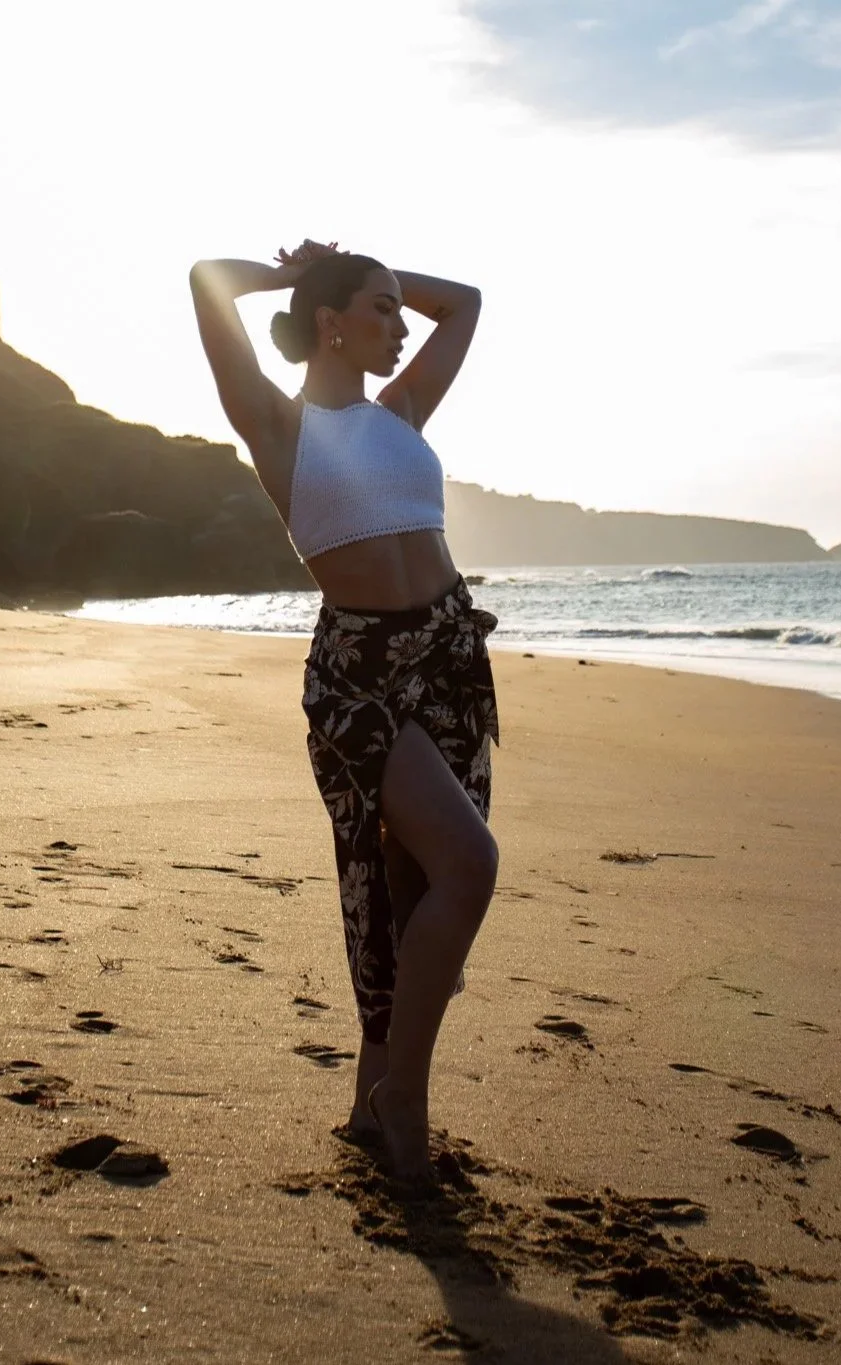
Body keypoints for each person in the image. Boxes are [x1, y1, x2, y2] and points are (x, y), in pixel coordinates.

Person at [188, 240, 499, 1181]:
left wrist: (369, 262)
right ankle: (405, 1098)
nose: (402, 324)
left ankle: (371, 1101)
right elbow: (207, 279)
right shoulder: (276, 430)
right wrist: (298, 277)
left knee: (410, 896)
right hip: (360, 674)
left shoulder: (401, 411)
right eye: (380, 309)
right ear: (331, 323)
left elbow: (469, 303)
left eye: (399, 311)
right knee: (467, 866)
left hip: (447, 660)